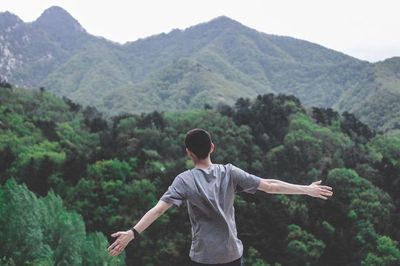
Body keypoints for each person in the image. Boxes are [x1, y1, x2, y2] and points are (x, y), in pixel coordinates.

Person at [108, 128, 333, 265]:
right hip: (231, 255)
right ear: (212, 147)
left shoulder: (184, 180)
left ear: (189, 152)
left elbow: (158, 209)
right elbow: (271, 186)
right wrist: (306, 189)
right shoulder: (229, 172)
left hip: (204, 257)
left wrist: (133, 232)